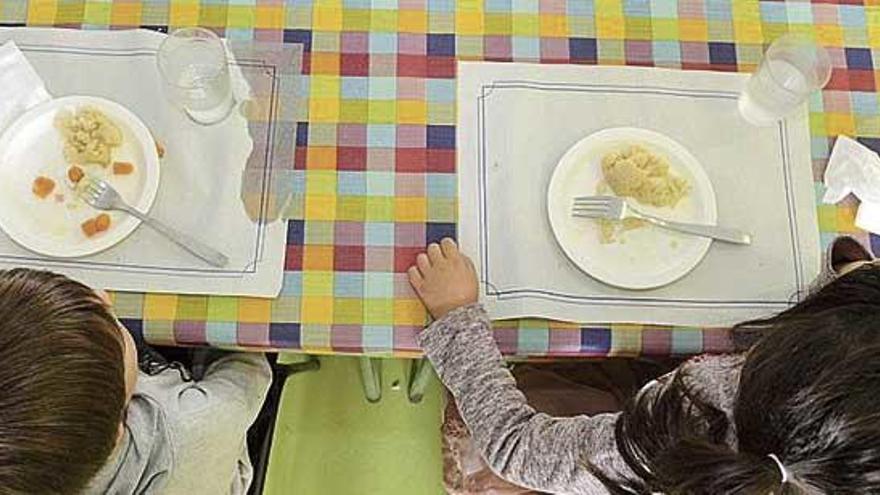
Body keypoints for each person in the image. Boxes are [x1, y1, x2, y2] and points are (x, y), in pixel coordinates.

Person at [409, 237, 880, 494]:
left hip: (589, 455)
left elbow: (515, 445)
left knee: (482, 445)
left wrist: (457, 318)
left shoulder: (677, 440)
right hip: (658, 400)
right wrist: (851, 278)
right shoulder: (849, 450)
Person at [0, 268, 271, 494]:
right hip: (207, 456)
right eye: (112, 324)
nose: (102, 296)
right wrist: (208, 332)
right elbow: (249, 373)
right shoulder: (197, 424)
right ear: (120, 429)